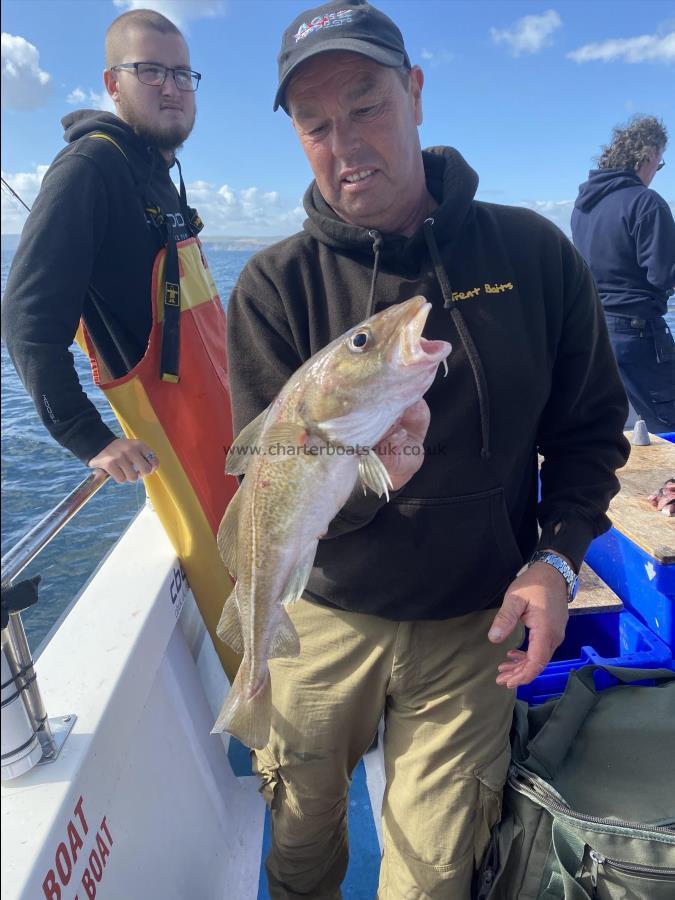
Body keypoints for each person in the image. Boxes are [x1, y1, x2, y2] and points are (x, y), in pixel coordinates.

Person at [224, 2, 630, 896]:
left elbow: (589, 431)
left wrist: (556, 564)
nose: (343, 142)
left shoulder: (532, 251)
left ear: (414, 93)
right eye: (315, 124)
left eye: (365, 105)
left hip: (471, 621)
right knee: (298, 838)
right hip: (321, 612)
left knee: (436, 872)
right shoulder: (271, 287)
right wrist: (370, 484)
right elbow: (269, 485)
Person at [2, 8, 238, 678]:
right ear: (113, 81)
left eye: (183, 73)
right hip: (183, 457)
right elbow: (25, 318)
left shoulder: (155, 174)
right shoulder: (88, 169)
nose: (171, 87)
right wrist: (89, 438)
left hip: (230, 442)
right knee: (241, 621)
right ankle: (284, 761)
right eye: (151, 71)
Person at [571, 115, 675, 435]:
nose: (655, 173)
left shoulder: (584, 206)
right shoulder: (646, 203)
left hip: (594, 336)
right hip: (639, 337)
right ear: (648, 156)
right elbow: (664, 276)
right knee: (667, 423)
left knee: (611, 430)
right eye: (659, 165)